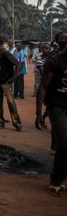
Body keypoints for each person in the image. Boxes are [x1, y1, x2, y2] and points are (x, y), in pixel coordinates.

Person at [35, 42, 67, 197]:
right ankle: (56, 179)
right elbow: (43, 87)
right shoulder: (54, 61)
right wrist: (39, 112)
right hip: (57, 106)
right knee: (64, 142)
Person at [0, 35, 23, 131]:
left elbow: (18, 64)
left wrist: (14, 77)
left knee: (11, 102)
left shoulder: (5, 53)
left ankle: (17, 123)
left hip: (5, 82)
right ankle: (0, 122)